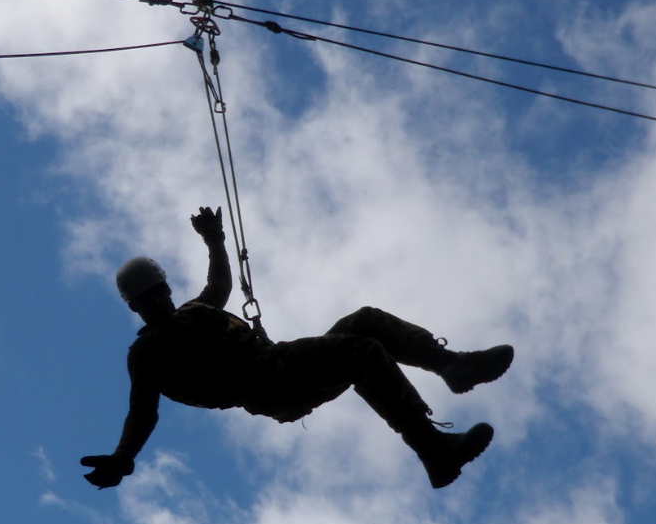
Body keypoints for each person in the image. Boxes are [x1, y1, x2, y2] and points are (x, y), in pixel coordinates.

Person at [81, 207, 514, 491]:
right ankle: (434, 451)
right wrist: (123, 455)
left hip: (281, 366)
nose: (157, 302)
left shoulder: (193, 311)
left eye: (159, 293)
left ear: (166, 288)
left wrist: (215, 240)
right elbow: (142, 411)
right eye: (147, 300)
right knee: (360, 350)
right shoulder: (148, 353)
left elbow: (219, 286)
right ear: (134, 307)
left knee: (366, 320)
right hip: (269, 383)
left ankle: (453, 367)